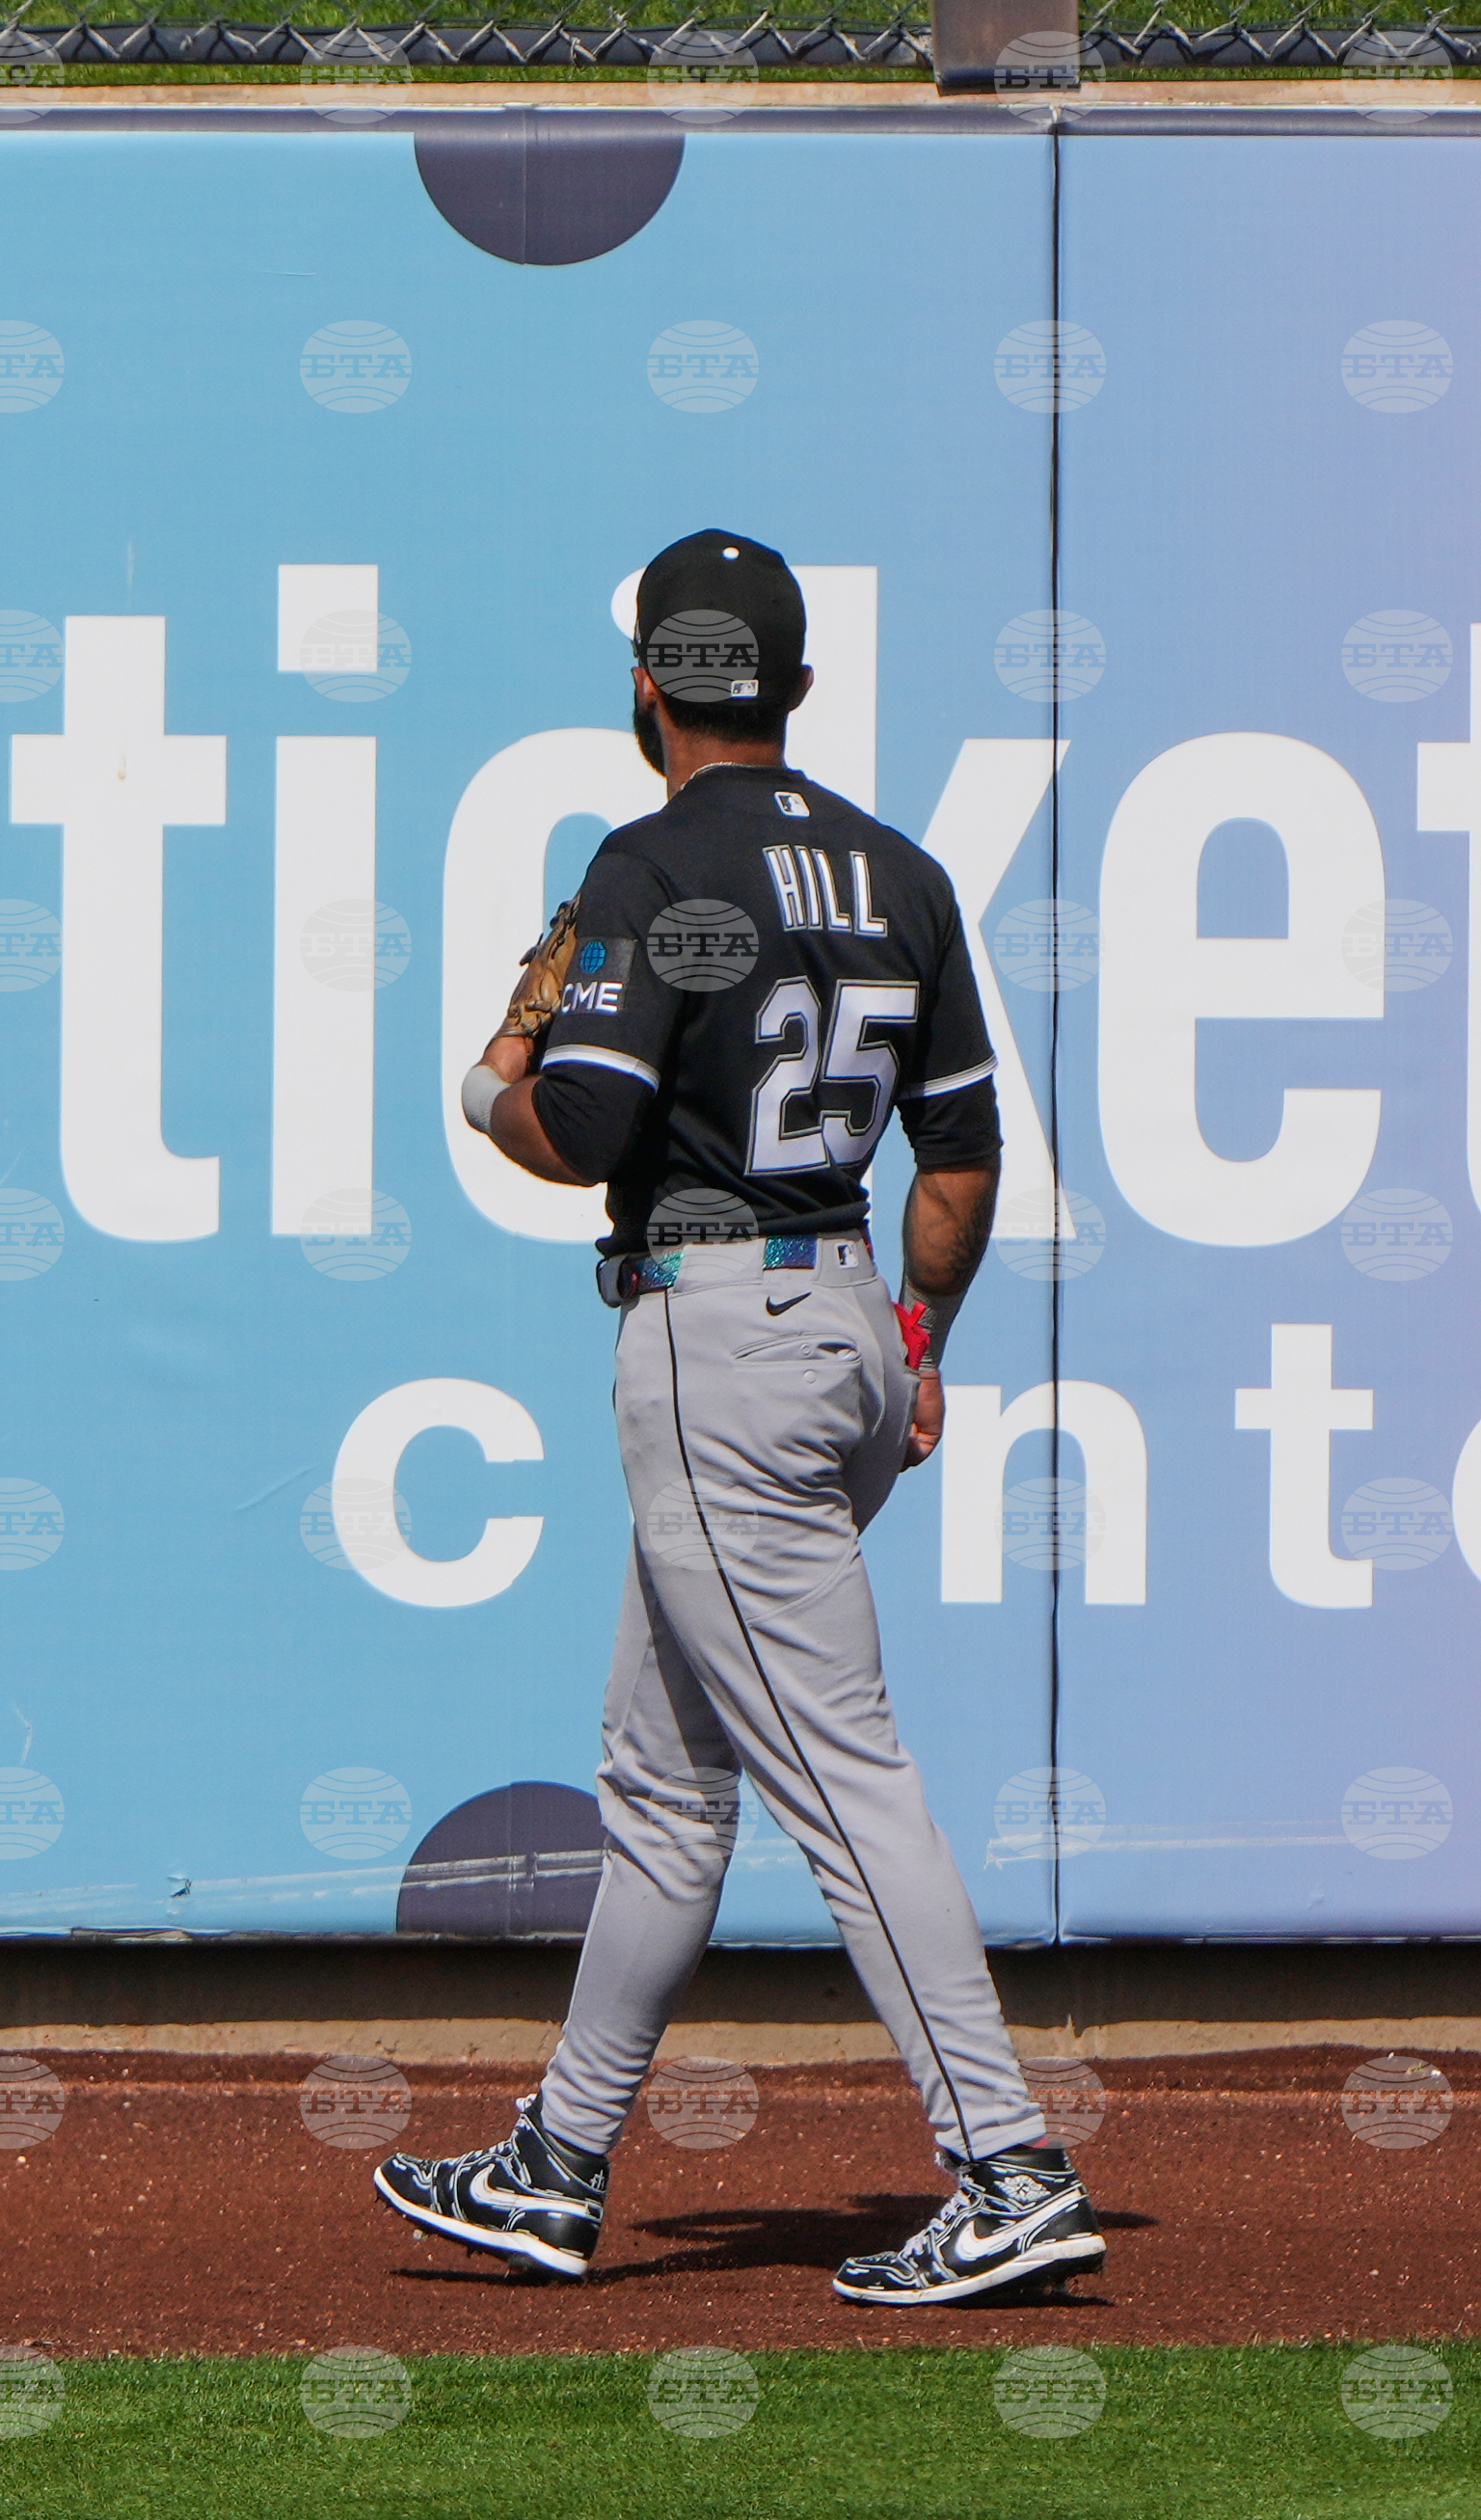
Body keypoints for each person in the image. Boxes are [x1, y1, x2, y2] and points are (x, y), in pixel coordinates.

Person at [371, 528, 1104, 2304]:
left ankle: (1003, 2160)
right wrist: (917, 1339)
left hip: (719, 1340)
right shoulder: (899, 869)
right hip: (846, 1310)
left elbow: (591, 1132)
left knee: (836, 1773)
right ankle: (554, 2165)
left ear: (649, 687)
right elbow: (964, 1155)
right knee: (665, 1780)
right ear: (785, 682)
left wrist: (488, 1091)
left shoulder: (649, 861)